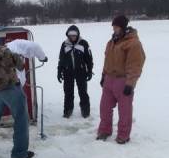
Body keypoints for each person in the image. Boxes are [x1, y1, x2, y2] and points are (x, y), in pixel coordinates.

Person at [96, 15, 146, 144]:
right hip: (109, 79)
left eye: (117, 27)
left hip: (123, 81)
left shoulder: (133, 43)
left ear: (123, 27)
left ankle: (123, 135)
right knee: (104, 107)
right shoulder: (111, 41)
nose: (114, 29)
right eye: (113, 27)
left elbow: (135, 65)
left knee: (124, 111)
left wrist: (130, 84)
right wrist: (103, 75)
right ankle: (104, 131)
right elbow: (107, 60)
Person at [57, 25, 94, 119]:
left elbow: (89, 59)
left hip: (81, 71)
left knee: (83, 92)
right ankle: (68, 110)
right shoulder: (64, 44)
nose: (73, 37)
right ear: (68, 35)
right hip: (67, 72)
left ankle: (85, 110)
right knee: (68, 92)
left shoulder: (83, 43)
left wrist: (89, 71)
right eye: (71, 35)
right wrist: (59, 71)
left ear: (77, 35)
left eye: (74, 35)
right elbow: (61, 59)